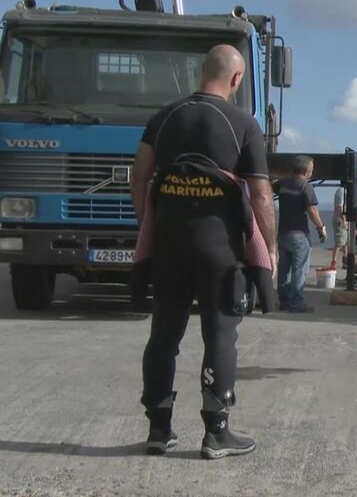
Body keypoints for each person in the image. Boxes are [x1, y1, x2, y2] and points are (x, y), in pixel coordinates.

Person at [130, 44, 277, 460]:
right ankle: (217, 433)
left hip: (170, 246)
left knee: (163, 337)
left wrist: (148, 222)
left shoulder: (164, 117)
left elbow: (139, 176)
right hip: (220, 250)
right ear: (236, 79)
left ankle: (159, 430)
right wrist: (268, 247)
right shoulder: (242, 123)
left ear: (201, 72)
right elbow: (262, 196)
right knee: (220, 337)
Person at [276, 155, 326, 312]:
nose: (312, 172)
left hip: (282, 232)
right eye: (311, 169)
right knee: (300, 268)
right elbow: (312, 209)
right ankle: (296, 303)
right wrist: (321, 227)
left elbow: (270, 187)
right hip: (299, 234)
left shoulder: (282, 183)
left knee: (283, 268)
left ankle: (284, 300)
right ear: (306, 171)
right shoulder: (306, 187)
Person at [330, 186, 348, 269]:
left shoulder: (346, 191)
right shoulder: (341, 191)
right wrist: (343, 220)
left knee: (346, 242)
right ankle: (333, 261)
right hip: (340, 220)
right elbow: (339, 207)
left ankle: (346, 261)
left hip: (345, 219)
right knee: (339, 242)